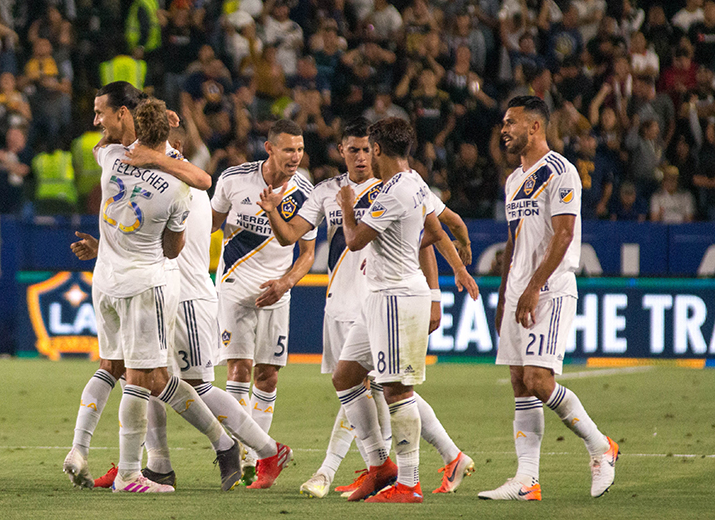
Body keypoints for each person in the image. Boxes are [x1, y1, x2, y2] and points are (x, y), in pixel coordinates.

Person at [271, 119, 476, 499]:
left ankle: (408, 482)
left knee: (395, 389)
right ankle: (382, 465)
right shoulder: (412, 181)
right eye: (355, 149)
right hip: (372, 301)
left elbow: (355, 239)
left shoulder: (392, 193)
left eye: (369, 148)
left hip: (396, 297)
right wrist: (460, 267)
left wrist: (348, 207)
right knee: (347, 377)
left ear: (378, 150)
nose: (364, 155)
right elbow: (435, 227)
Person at [62, 82, 247, 494]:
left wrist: (146, 151)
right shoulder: (180, 188)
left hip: (106, 282)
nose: (98, 123)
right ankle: (132, 473)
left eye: (101, 114)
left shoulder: (109, 156)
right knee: (143, 378)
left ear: (126, 117)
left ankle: (82, 450)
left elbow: (115, 147)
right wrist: (159, 155)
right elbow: (177, 235)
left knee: (119, 369)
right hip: (147, 286)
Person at [480, 96, 619, 501]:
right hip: (520, 292)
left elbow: (563, 235)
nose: (504, 130)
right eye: (504, 124)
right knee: (520, 384)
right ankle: (527, 481)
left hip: (551, 289)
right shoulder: (513, 180)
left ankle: (600, 446)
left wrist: (534, 287)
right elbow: (513, 243)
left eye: (511, 123)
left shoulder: (561, 171)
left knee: (539, 380)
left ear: (535, 127)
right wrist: (505, 295)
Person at [209, 119, 315, 487]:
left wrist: (285, 283)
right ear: (269, 149)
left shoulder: (306, 193)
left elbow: (307, 253)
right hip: (234, 285)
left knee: (267, 375)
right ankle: (240, 456)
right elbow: (208, 224)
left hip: (276, 291)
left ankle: (260, 461)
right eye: (289, 150)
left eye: (300, 150)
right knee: (238, 370)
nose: (296, 157)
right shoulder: (234, 179)